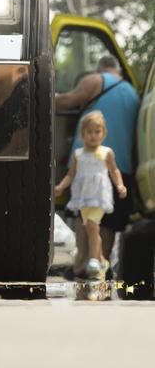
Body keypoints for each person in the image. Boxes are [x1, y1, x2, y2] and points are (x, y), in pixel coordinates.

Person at [55, 54, 139, 274]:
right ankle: (102, 266)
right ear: (118, 70)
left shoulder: (95, 81)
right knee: (109, 221)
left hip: (88, 164)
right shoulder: (133, 93)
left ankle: (82, 264)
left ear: (100, 68)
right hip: (122, 166)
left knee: (86, 216)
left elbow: (65, 102)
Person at [55, 110, 127, 279]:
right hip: (83, 198)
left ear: (104, 133)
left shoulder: (106, 152)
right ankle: (102, 259)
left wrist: (120, 185)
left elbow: (114, 170)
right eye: (90, 132)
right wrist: (61, 186)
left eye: (97, 132)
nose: (94, 136)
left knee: (93, 225)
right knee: (89, 228)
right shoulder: (78, 154)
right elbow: (71, 175)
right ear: (83, 134)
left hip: (100, 196)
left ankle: (94, 260)